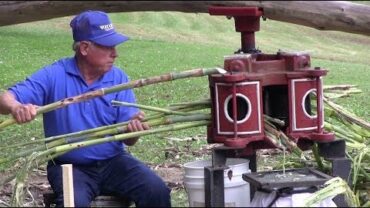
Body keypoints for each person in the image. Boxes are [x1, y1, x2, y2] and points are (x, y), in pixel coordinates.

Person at [0, 10, 171, 207]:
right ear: (84, 48)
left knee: (156, 191)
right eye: (108, 47)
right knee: (73, 203)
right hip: (70, 167)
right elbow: (5, 98)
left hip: (114, 161)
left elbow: (130, 140)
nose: (115, 53)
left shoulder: (118, 79)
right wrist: (16, 107)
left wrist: (135, 128)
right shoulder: (54, 75)